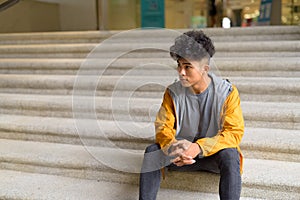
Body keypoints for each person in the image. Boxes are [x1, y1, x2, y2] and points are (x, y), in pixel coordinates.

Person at [139, 30, 244, 200]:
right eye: (179, 65)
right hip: (180, 157)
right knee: (152, 151)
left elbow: (233, 133)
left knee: (230, 154)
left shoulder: (227, 93)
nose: (181, 72)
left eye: (187, 66)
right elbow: (163, 127)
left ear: (205, 69)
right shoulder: (172, 92)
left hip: (212, 156)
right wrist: (173, 146)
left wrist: (198, 147)